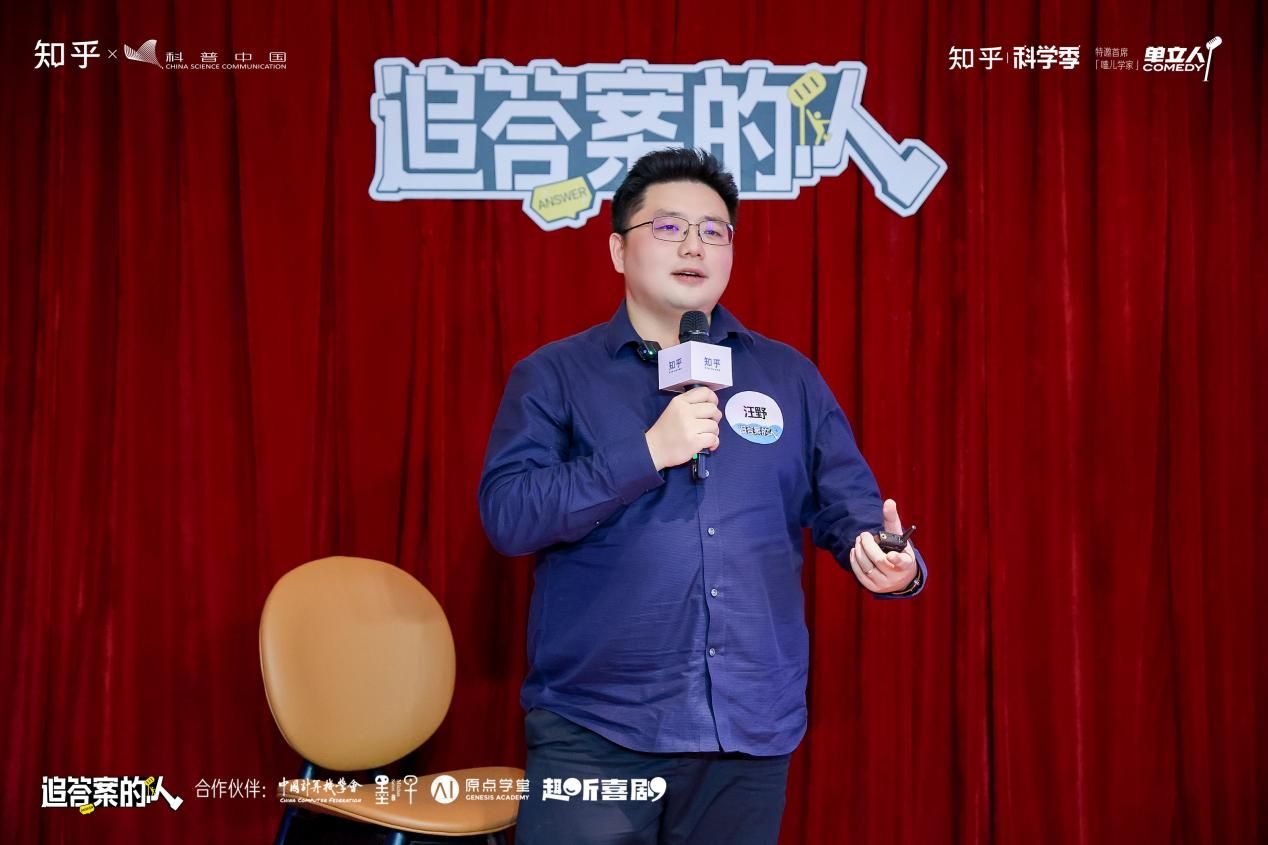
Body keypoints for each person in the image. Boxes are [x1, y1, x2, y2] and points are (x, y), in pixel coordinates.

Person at [478, 147, 926, 845]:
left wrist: (887, 556)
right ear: (618, 251)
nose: (694, 246)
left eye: (714, 231)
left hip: (748, 724)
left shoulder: (786, 375)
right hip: (598, 723)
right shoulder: (555, 374)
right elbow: (510, 515)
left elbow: (850, 506)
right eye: (669, 227)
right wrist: (649, 451)